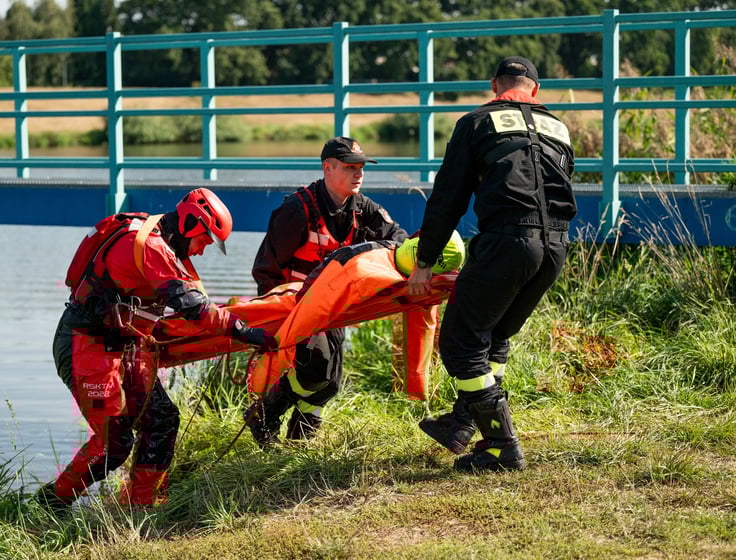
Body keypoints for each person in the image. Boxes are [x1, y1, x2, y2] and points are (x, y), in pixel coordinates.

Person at [35, 187, 275, 512]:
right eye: (204, 241)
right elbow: (193, 307)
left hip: (129, 347)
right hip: (86, 346)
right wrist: (247, 333)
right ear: (191, 224)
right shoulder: (151, 245)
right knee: (113, 444)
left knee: (161, 420)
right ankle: (52, 502)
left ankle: (142, 507)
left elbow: (187, 307)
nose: (203, 252)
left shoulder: (166, 245)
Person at [407, 56, 577, 472]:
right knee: (495, 334)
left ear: (494, 86)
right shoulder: (559, 128)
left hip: (508, 242)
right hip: (556, 247)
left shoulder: (476, 123)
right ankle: (463, 422)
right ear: (535, 90)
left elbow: (449, 196)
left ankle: (502, 446)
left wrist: (424, 260)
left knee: (460, 343)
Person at [248, 136, 408, 446]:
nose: (358, 174)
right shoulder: (296, 210)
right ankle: (265, 414)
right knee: (317, 370)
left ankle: (297, 447)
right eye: (350, 168)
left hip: (334, 308)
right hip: (295, 307)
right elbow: (265, 269)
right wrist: (274, 322)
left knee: (329, 385)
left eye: (361, 167)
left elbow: (398, 237)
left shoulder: (363, 207)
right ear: (328, 168)